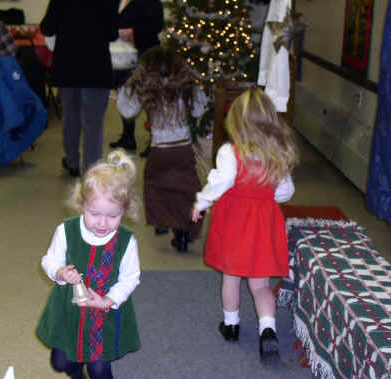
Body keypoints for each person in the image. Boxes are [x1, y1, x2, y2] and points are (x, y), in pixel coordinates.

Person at [191, 87, 299, 365]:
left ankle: (231, 325)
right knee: (261, 285)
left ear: (235, 120)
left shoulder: (230, 151)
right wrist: (264, 195)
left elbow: (221, 181)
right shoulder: (278, 154)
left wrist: (201, 203)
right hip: (264, 225)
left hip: (235, 224)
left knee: (232, 276)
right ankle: (268, 330)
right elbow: (285, 192)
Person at [36, 149, 141, 379]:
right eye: (95, 213)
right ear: (81, 204)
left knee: (99, 368)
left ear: (124, 210)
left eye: (113, 216)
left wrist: (108, 300)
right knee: (60, 361)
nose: (103, 223)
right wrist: (60, 272)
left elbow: (131, 277)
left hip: (104, 312)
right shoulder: (66, 230)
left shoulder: (125, 241)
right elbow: (49, 260)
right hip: (69, 310)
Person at [117, 46, 208, 252]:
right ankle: (184, 233)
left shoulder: (147, 88)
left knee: (156, 187)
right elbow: (199, 109)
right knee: (187, 190)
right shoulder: (185, 87)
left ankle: (163, 222)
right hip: (183, 148)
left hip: (159, 150)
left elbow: (126, 109)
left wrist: (131, 83)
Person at [40, 0, 120, 177]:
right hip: (96, 67)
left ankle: (72, 162)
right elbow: (112, 33)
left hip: (67, 66)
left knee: (71, 118)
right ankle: (92, 172)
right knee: (93, 124)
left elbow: (46, 28)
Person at [109, 0, 164, 158]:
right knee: (124, 95)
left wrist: (131, 32)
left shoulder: (151, 2)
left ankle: (155, 141)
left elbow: (156, 26)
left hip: (147, 53)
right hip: (121, 55)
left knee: (149, 98)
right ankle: (128, 137)